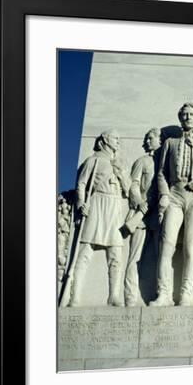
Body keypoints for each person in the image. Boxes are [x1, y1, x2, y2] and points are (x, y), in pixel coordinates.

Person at [150, 103, 193, 306]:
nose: (187, 117)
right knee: (167, 244)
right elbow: (161, 172)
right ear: (180, 118)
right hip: (174, 194)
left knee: (191, 245)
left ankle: (187, 292)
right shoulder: (170, 142)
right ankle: (163, 293)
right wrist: (163, 193)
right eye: (184, 114)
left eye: (191, 114)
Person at [67, 129, 130, 307]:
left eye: (119, 138)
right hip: (97, 204)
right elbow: (81, 184)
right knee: (85, 251)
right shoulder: (93, 160)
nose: (118, 141)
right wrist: (80, 203)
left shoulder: (119, 163)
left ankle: (114, 296)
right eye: (115, 138)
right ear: (105, 140)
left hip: (115, 206)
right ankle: (75, 297)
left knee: (115, 254)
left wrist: (121, 172)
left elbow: (127, 189)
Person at [123, 128, 161, 307]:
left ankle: (160, 294)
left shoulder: (164, 162)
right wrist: (139, 202)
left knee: (162, 256)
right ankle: (130, 297)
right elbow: (134, 184)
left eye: (150, 138)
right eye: (146, 138)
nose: (146, 142)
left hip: (159, 215)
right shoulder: (143, 161)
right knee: (134, 257)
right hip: (143, 214)